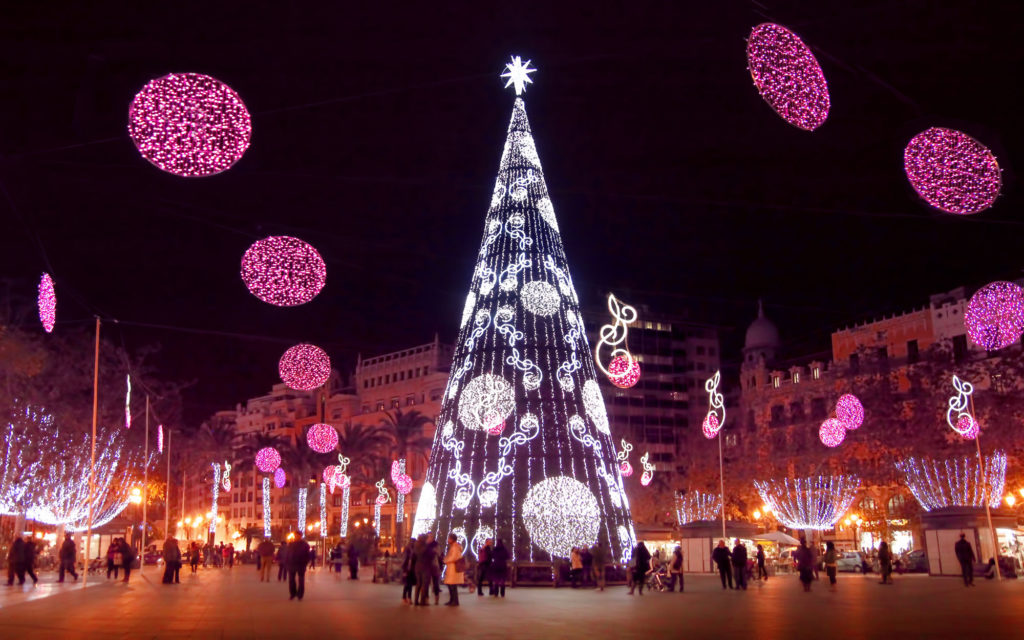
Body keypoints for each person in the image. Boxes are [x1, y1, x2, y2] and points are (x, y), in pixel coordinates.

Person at [416, 533, 441, 606]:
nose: (429, 538)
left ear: (433, 538)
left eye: (430, 537)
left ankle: (436, 597)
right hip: (426, 567)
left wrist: (434, 551)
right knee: (425, 583)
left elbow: (438, 554)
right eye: (428, 537)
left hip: (434, 565)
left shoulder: (436, 545)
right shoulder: (424, 545)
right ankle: (426, 599)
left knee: (435, 582)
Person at [442, 533, 464, 606]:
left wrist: (445, 560)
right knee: (451, 585)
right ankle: (452, 600)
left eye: (449, 538)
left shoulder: (455, 547)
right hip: (451, 568)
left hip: (453, 568)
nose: (448, 540)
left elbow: (454, 557)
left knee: (452, 585)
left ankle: (454, 601)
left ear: (452, 539)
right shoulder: (454, 546)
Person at [288, 533, 311, 600]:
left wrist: (305, 562)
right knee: (291, 580)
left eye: (298, 536)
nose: (296, 537)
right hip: (292, 564)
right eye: (295, 536)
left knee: (301, 580)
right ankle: (293, 594)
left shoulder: (305, 545)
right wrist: (287, 562)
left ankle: (300, 595)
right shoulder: (291, 544)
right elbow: (288, 553)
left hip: (301, 564)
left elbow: (308, 555)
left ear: (301, 536)